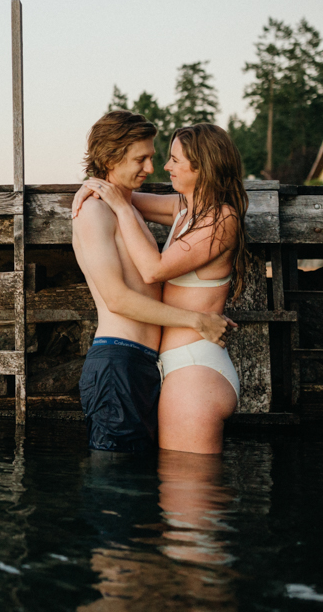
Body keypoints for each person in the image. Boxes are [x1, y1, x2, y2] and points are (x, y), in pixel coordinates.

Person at [73, 123, 248, 454]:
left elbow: (153, 269)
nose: (161, 168)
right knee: (152, 490)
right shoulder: (183, 210)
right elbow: (123, 194)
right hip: (157, 365)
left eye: (173, 160)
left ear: (204, 166)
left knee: (185, 493)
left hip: (192, 367)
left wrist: (118, 201)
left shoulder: (221, 219)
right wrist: (91, 186)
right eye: (148, 159)